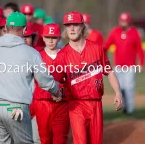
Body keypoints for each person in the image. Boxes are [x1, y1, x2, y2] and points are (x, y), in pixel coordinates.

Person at [53, 11, 123, 144]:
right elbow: (56, 80)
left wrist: (118, 92)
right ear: (65, 29)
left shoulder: (97, 49)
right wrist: (56, 92)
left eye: (75, 24)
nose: (72, 28)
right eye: (68, 25)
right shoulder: (62, 55)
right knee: (81, 141)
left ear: (82, 26)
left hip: (96, 104)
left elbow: (109, 72)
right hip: (76, 105)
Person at [0, 12, 61, 144]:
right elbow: (44, 81)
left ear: (6, 28)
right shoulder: (31, 53)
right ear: (25, 30)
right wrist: (56, 90)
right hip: (16, 108)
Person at [30, 23, 69, 144]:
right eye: (48, 37)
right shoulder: (37, 56)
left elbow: (71, 80)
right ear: (43, 37)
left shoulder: (66, 55)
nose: (50, 40)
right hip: (42, 102)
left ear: (59, 38)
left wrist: (60, 91)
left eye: (54, 37)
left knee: (60, 139)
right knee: (44, 139)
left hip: (61, 104)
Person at [104, 12, 144, 114]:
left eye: (125, 21)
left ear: (129, 22)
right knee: (120, 87)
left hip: (130, 66)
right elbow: (107, 45)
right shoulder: (115, 32)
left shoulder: (134, 32)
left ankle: (130, 109)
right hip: (118, 66)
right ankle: (124, 107)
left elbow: (139, 49)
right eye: (122, 21)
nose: (123, 23)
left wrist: (141, 63)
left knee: (129, 87)